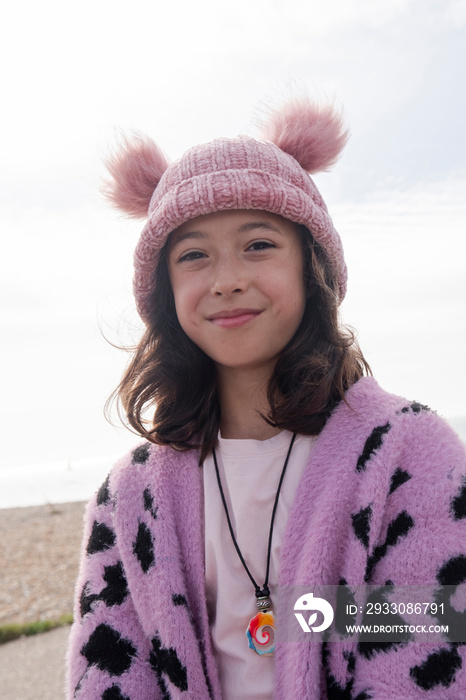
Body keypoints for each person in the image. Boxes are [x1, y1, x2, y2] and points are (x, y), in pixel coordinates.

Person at [66, 98, 466, 699]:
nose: (227, 278)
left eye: (258, 244)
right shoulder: (132, 495)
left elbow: (422, 656)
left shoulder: (408, 453)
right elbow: (109, 673)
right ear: (164, 293)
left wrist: (310, 615)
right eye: (194, 255)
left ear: (315, 268)